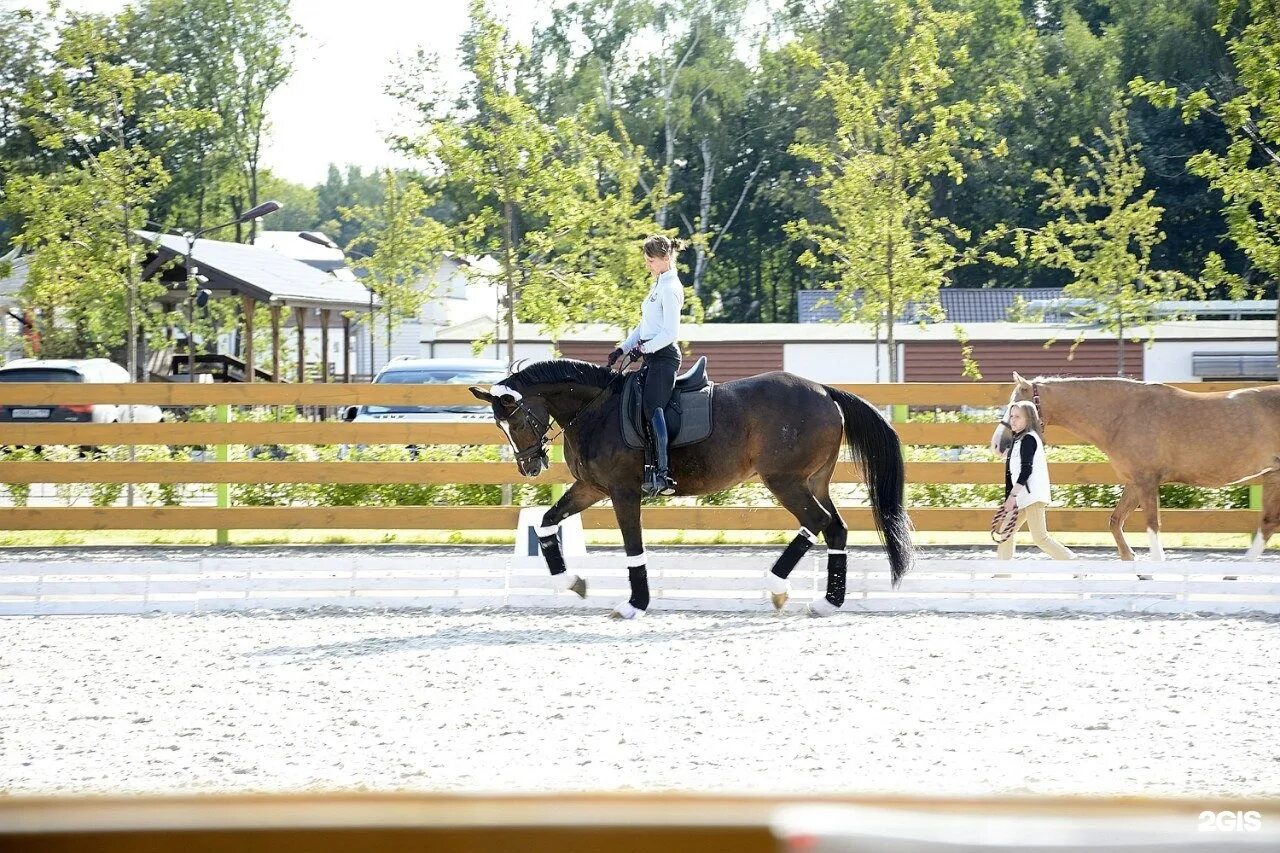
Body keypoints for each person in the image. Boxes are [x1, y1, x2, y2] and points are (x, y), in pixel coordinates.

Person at [607, 234, 685, 497]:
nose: (647, 265)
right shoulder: (658, 285)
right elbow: (645, 327)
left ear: (665, 259)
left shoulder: (671, 288)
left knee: (653, 406)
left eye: (651, 260)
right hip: (652, 356)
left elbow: (669, 333)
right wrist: (623, 347)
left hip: (664, 358)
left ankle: (663, 474)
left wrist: (644, 348)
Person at [998, 400, 1075, 561]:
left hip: (1032, 497)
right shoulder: (1019, 440)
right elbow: (1013, 470)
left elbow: (1026, 470)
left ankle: (1074, 563)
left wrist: (1012, 496)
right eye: (1012, 416)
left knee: (1040, 538)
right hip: (1023, 497)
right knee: (1006, 531)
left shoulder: (1028, 440)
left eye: (1018, 417)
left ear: (1029, 419)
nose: (1013, 420)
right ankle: (1002, 572)